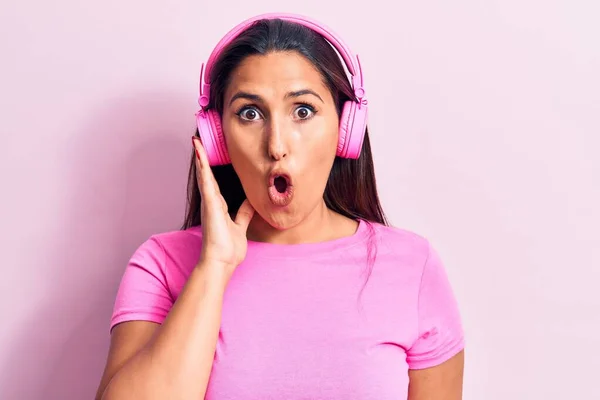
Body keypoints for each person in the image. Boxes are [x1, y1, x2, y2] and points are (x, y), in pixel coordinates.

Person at [95, 12, 465, 400]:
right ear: (218, 140)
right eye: (249, 113)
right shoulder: (161, 265)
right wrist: (214, 268)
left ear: (345, 129)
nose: (276, 145)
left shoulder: (412, 266)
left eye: (303, 111)